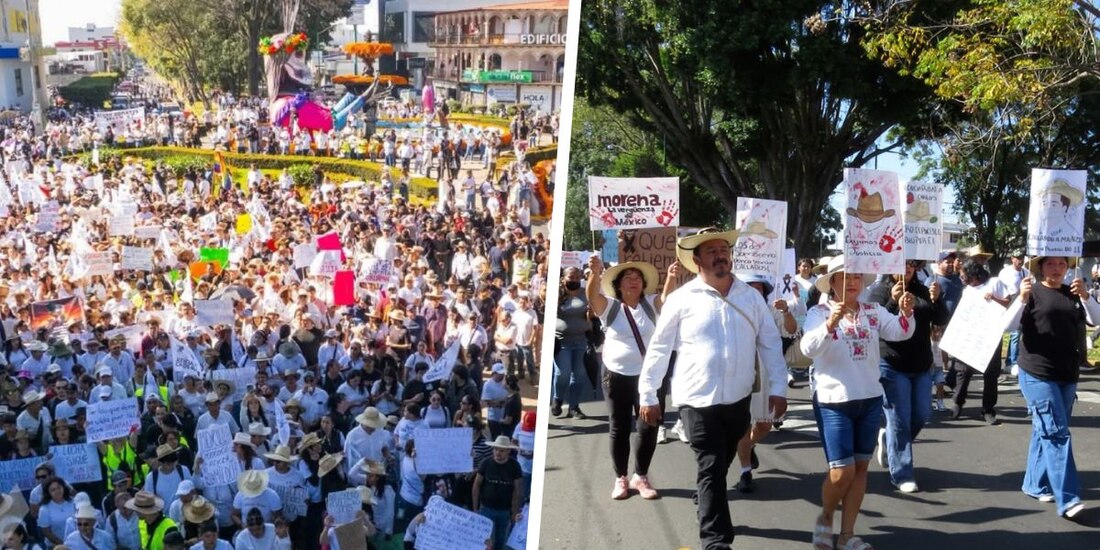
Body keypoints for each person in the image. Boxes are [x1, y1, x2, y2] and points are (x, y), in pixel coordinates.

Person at [638, 227, 788, 550]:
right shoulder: (681, 299)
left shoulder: (750, 297)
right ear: (696, 260)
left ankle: (709, 503)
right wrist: (648, 394)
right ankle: (715, 540)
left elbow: (771, 344)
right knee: (710, 464)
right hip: (696, 400)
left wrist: (779, 387)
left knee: (720, 463)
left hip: (738, 400)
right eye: (712, 251)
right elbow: (659, 348)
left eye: (724, 249)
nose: (721, 255)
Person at [801, 255, 915, 550]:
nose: (852, 282)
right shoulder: (818, 312)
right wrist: (830, 322)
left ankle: (847, 535)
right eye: (844, 276)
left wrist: (906, 313)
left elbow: (901, 332)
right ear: (833, 282)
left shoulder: (873, 311)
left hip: (869, 398)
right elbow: (808, 349)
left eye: (855, 277)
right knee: (842, 472)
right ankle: (825, 518)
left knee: (861, 470)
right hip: (833, 400)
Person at [1008, 255, 1098, 519]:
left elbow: (1095, 320)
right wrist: (1021, 300)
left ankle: (1034, 483)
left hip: (1067, 374)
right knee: (1056, 433)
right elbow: (1007, 326)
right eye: (1050, 264)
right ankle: (1068, 499)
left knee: (1045, 429)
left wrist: (1086, 296)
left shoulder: (1074, 292)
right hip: (1036, 373)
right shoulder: (1030, 291)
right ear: (1041, 267)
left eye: (1061, 264)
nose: (1057, 269)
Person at [585, 256, 676, 500]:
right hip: (616, 375)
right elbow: (592, 297)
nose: (633, 281)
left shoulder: (649, 303)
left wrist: (672, 276)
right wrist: (595, 273)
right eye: (628, 277)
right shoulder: (611, 306)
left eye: (637, 277)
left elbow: (667, 300)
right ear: (618, 284)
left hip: (649, 378)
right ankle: (621, 478)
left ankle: (641, 476)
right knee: (619, 427)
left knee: (649, 427)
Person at [867, 260, 947, 493]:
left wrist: (937, 299)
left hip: (921, 364)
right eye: (902, 263)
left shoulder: (923, 289)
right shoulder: (879, 291)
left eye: (912, 264)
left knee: (922, 413)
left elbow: (940, 319)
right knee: (899, 419)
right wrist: (893, 300)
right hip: (891, 363)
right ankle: (902, 473)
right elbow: (876, 323)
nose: (907, 268)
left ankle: (889, 442)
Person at [951, 260, 1011, 424]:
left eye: (965, 276)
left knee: (991, 374)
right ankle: (958, 402)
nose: (963, 279)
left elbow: (1008, 302)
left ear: (975, 275)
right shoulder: (967, 290)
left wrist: (994, 299)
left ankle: (988, 410)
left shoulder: (995, 283)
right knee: (963, 371)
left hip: (990, 336)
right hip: (970, 335)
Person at [552, 266, 592, 418]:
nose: (574, 279)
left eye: (577, 277)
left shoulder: (585, 293)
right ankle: (558, 399)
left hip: (581, 341)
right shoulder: (558, 294)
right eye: (571, 277)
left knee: (580, 375)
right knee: (563, 373)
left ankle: (574, 407)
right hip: (562, 341)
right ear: (563, 279)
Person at [472, 435, 523, 550]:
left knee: (500, 539)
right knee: (484, 540)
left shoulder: (515, 466)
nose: (498, 453)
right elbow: (476, 485)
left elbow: (517, 490)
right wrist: (475, 508)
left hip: (504, 510)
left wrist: (514, 512)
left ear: (508, 451)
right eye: (496, 449)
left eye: (501, 450)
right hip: (486, 508)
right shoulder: (485, 463)